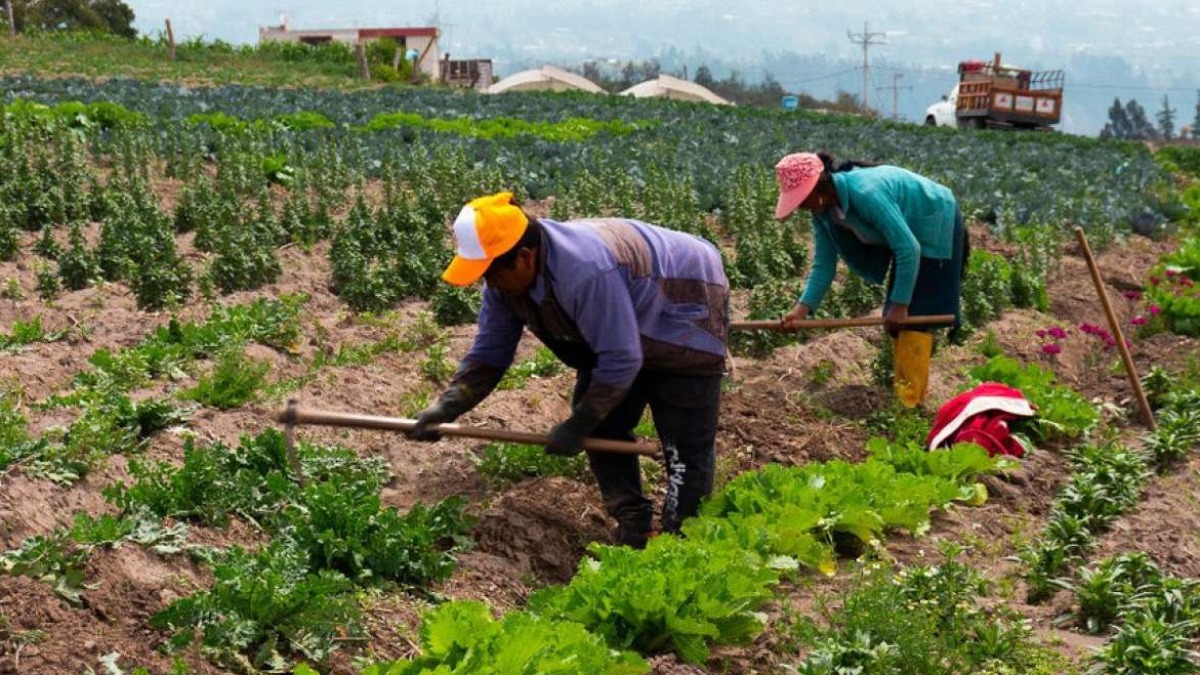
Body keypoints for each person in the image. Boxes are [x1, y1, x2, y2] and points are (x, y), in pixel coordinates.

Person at [406, 192, 730, 548]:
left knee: (683, 444)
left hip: (685, 297)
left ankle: (683, 539)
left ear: (525, 258)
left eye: (491, 273)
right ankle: (636, 525)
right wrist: (451, 403)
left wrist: (580, 422)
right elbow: (491, 352)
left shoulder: (584, 272)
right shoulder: (504, 284)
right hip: (624, 310)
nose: (489, 284)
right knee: (605, 423)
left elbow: (622, 358)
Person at [774, 152, 968, 403]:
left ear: (817, 189)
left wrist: (900, 305)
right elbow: (824, 265)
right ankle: (905, 396)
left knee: (913, 319)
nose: (800, 206)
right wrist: (800, 310)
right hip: (908, 237)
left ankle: (909, 405)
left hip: (934, 218)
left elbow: (909, 248)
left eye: (801, 199)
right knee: (899, 322)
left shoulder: (866, 193)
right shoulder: (823, 212)